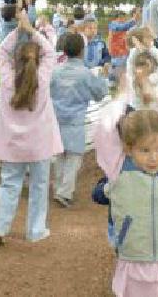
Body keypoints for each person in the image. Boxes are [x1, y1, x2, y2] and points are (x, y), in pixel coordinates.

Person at [97, 109, 158, 296]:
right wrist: (124, 95)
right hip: (135, 256)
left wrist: (154, 97)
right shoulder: (119, 172)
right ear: (129, 148)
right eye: (145, 150)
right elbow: (104, 130)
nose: (154, 157)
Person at [0, 11, 61, 244]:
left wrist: (18, 30)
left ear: (15, 61)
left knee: (9, 184)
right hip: (39, 144)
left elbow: (1, 51)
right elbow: (50, 51)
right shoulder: (43, 78)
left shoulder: (7, 80)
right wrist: (31, 30)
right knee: (39, 186)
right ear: (38, 61)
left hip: (12, 146)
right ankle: (35, 231)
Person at [49, 32, 109, 207]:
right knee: (74, 157)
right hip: (75, 121)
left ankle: (60, 188)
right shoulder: (85, 74)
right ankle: (64, 192)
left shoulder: (55, 71)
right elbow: (101, 93)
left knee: (60, 155)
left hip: (57, 120)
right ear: (82, 51)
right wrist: (103, 77)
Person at [124, 28, 158, 110]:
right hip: (137, 98)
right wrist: (135, 80)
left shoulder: (155, 52)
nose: (151, 41)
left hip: (153, 96)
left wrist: (150, 79)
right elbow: (130, 68)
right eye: (148, 39)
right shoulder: (134, 53)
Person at [107, 9, 139, 88]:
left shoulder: (121, 26)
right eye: (122, 18)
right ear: (117, 18)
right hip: (117, 52)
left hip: (122, 52)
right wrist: (133, 20)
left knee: (121, 67)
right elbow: (123, 27)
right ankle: (113, 83)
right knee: (117, 67)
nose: (124, 20)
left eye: (124, 18)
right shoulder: (113, 24)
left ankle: (116, 83)